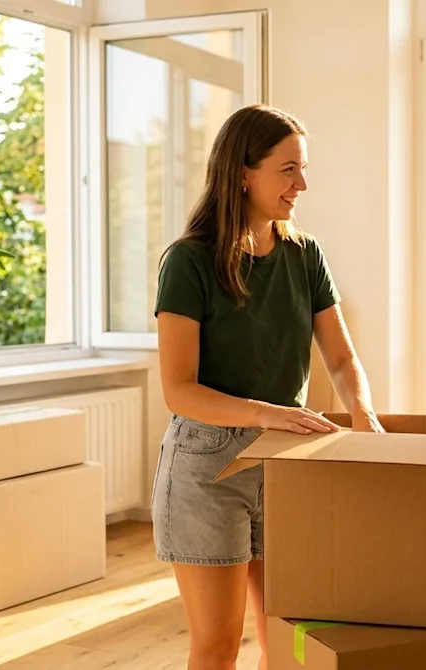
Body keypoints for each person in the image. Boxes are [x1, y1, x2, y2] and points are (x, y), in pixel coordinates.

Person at [153, 104, 384, 670]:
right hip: (207, 469)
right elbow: (179, 390)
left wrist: (365, 416)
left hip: (284, 463)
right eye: (288, 169)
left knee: (287, 640)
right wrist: (267, 413)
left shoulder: (305, 256)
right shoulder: (190, 262)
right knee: (218, 644)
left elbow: (340, 355)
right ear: (242, 173)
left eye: (302, 169)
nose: (301, 184)